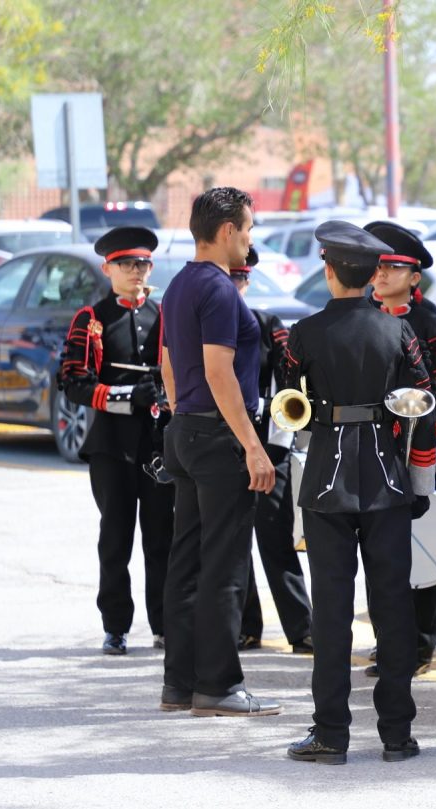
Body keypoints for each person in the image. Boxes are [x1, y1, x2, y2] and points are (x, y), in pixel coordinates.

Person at [284, 221, 436, 766]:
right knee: (392, 606)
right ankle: (397, 734)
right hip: (386, 481)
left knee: (331, 611)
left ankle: (331, 734)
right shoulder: (399, 331)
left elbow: (290, 406)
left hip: (326, 482)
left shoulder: (302, 333)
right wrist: (419, 484)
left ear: (328, 271)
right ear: (374, 275)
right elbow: (423, 407)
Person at [158, 187, 280, 718]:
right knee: (225, 566)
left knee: (186, 561)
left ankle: (180, 684)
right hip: (218, 435)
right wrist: (252, 446)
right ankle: (219, 687)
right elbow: (219, 372)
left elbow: (168, 365)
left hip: (186, 429)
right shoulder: (220, 290)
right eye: (248, 229)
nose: (249, 239)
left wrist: (182, 414)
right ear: (228, 230)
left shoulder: (178, 285)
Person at [58, 226, 171, 655]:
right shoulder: (92, 318)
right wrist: (125, 396)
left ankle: (164, 625)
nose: (135, 271)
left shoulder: (163, 316)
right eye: (126, 264)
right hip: (111, 445)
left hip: (157, 444)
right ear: (108, 269)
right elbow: (73, 382)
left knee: (161, 538)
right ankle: (116, 627)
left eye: (142, 264)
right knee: (115, 538)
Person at [362, 219, 436, 678]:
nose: (381, 275)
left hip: (418, 446)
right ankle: (387, 641)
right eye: (378, 266)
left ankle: (419, 645)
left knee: (420, 547)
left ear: (415, 276)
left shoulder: (430, 322)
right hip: (374, 444)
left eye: (393, 268)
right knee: (376, 551)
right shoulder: (363, 312)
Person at [230, 247, 313, 656]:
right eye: (228, 277)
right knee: (232, 542)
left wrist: (277, 447)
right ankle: (246, 627)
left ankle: (302, 629)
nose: (234, 285)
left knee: (275, 537)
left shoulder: (267, 325)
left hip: (267, 445)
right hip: (220, 445)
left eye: (241, 278)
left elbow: (290, 388)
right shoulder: (202, 325)